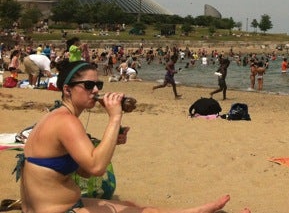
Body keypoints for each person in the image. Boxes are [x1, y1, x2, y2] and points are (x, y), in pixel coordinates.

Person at [18, 59, 239, 213]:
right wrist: (114, 117)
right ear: (67, 90)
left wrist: (113, 139)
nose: (95, 90)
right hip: (58, 210)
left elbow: (84, 171)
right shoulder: (66, 121)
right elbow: (96, 168)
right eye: (88, 85)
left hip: (58, 205)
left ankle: (198, 210)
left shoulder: (60, 116)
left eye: (98, 84)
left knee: (132, 205)